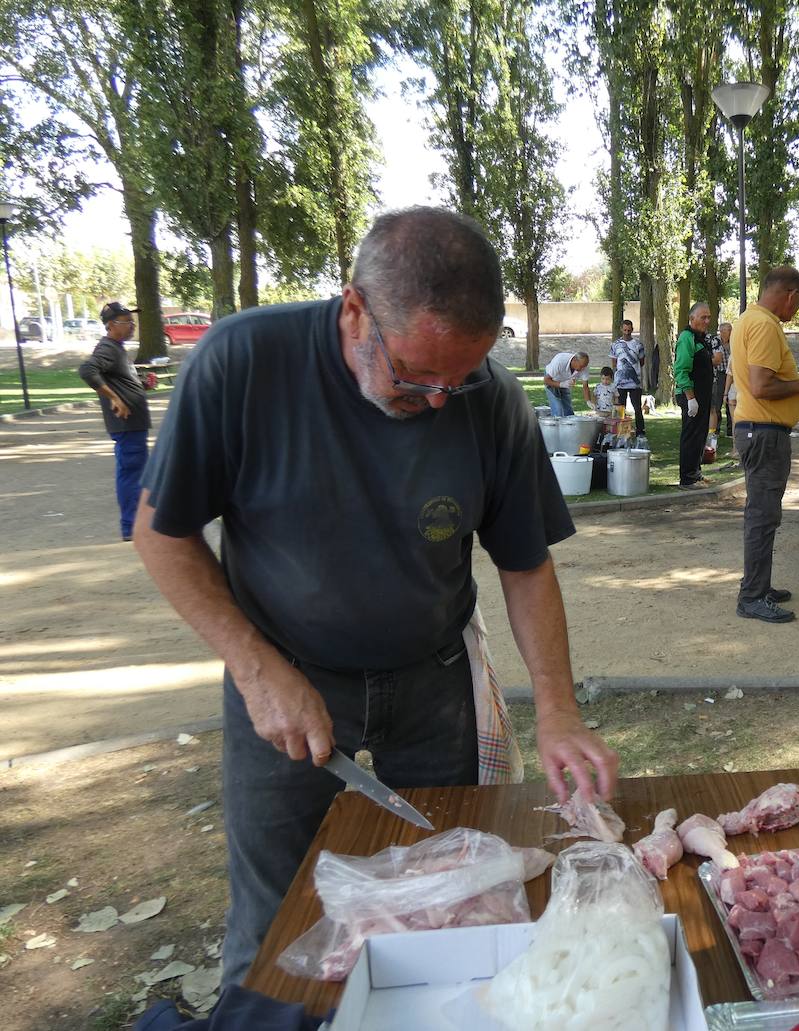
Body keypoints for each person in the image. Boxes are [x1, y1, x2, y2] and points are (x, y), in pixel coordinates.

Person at [131, 207, 619, 987]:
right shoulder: (242, 361)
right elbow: (161, 533)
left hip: (433, 689)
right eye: (416, 376)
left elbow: (525, 565)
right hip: (286, 683)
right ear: (354, 309)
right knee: (277, 918)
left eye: (457, 380)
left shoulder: (486, 399)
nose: (436, 402)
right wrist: (255, 669)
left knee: (457, 905)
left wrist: (558, 709)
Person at [731, 267, 799, 623]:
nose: (797, 308)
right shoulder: (766, 325)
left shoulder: (748, 320)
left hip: (759, 430)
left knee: (764, 514)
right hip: (764, 432)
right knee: (762, 516)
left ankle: (759, 585)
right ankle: (752, 597)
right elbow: (761, 386)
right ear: (789, 294)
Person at [78, 301, 150, 541]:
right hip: (126, 424)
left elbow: (119, 379)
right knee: (131, 474)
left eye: (132, 322)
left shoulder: (117, 348)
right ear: (110, 325)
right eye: (126, 322)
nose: (131, 326)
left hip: (133, 425)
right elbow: (87, 371)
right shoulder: (108, 348)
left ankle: (136, 525)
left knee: (136, 472)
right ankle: (131, 527)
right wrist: (114, 399)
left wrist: (143, 385)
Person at [674, 301, 714, 488]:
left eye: (708, 317)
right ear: (691, 319)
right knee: (691, 434)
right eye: (702, 317)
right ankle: (687, 478)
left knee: (700, 434)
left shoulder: (701, 338)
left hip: (703, 395)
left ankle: (696, 473)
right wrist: (691, 398)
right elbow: (681, 370)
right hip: (692, 395)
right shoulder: (686, 337)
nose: (706, 321)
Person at [610, 319, 647, 437]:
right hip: (620, 383)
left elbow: (642, 361)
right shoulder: (615, 345)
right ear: (621, 329)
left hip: (635, 383)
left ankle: (640, 431)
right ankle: (620, 430)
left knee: (637, 408)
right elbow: (614, 362)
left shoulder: (638, 345)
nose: (627, 332)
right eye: (625, 330)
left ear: (632, 329)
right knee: (620, 408)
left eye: (629, 330)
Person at [708, 321, 733, 454]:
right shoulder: (716, 341)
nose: (728, 333)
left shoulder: (733, 342)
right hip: (719, 374)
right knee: (717, 404)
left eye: (729, 330)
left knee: (731, 401)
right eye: (726, 330)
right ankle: (715, 430)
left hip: (731, 374)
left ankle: (730, 430)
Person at [544, 350, 592, 415]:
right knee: (558, 409)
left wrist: (588, 401)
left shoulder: (584, 367)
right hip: (552, 379)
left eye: (584, 367)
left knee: (568, 410)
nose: (582, 369)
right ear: (574, 360)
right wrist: (561, 384)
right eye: (581, 366)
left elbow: (585, 386)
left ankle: (570, 424)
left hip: (565, 381)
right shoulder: (560, 361)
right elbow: (546, 380)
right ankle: (557, 423)